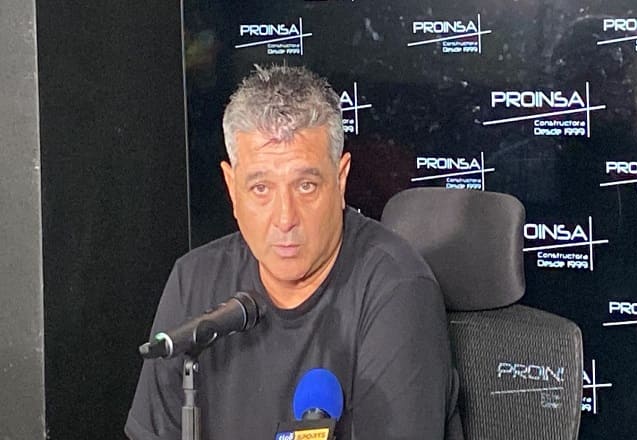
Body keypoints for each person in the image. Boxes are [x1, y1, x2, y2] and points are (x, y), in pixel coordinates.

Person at [125, 64, 461, 439]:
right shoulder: (193, 282)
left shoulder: (397, 290)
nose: (285, 218)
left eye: (306, 186)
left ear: (341, 180)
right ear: (232, 188)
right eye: (261, 189)